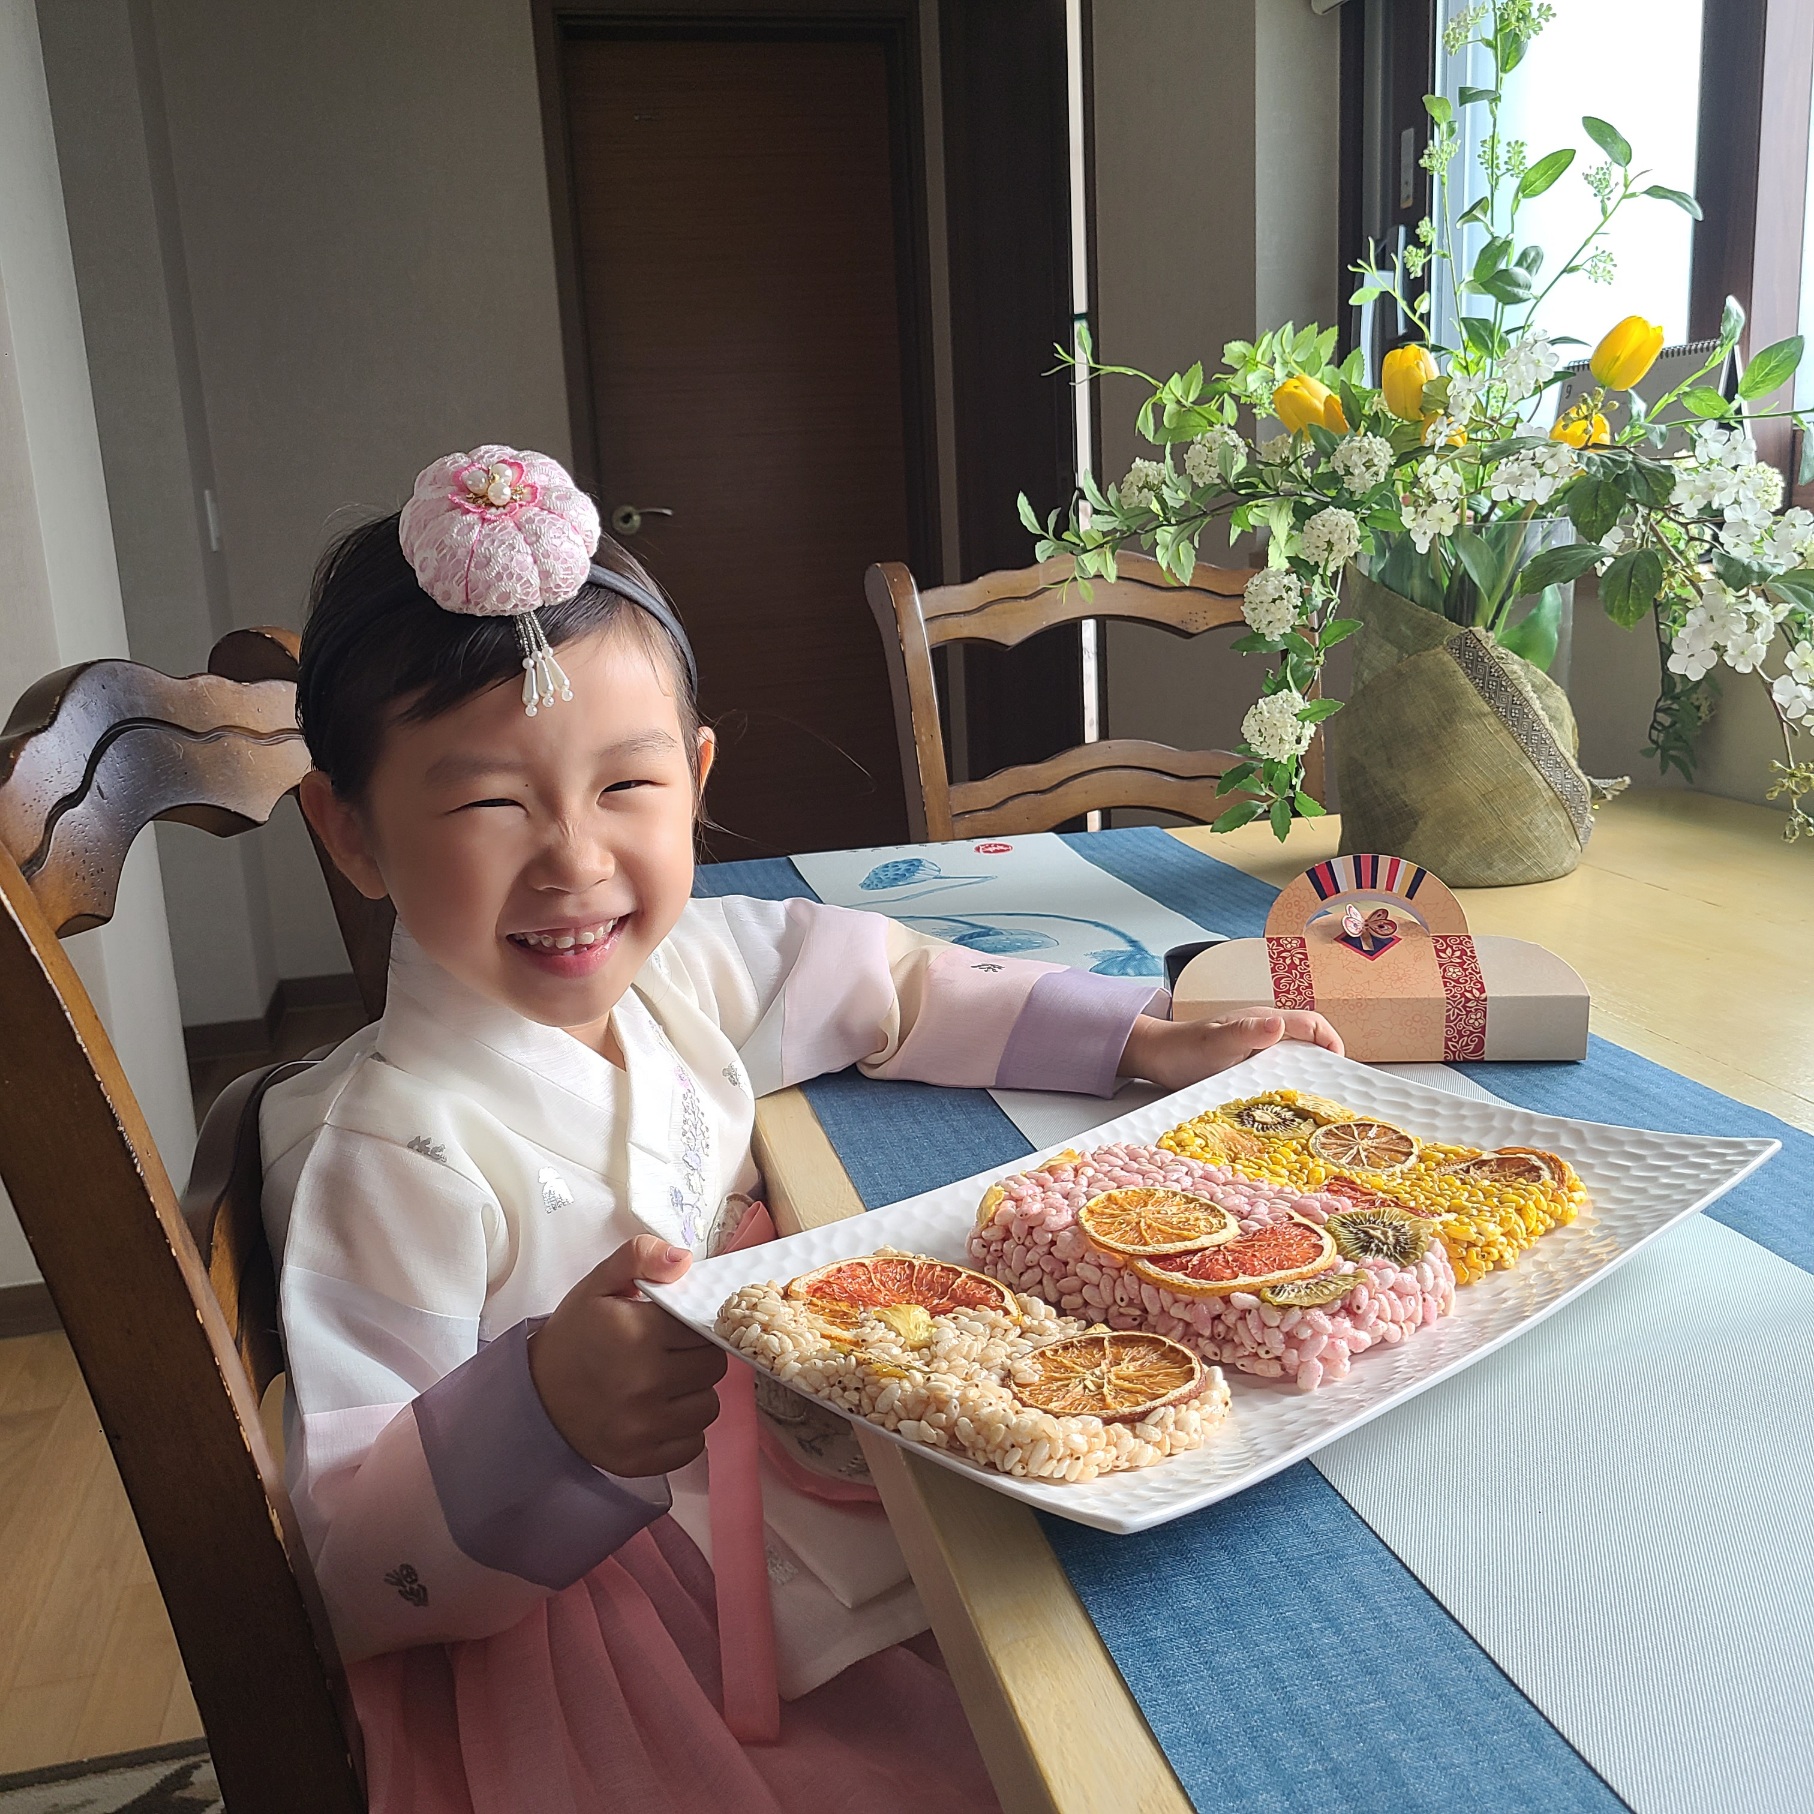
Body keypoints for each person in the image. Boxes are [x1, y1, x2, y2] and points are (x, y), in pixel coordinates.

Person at [264, 446, 1342, 1813]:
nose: (576, 861)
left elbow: (884, 981)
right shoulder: (394, 1153)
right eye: (489, 802)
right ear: (351, 834)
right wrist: (544, 1412)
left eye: (626, 788)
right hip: (596, 1595)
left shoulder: (675, 970)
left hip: (772, 1475)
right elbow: (350, 1565)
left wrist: (1135, 1036)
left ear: (696, 773)